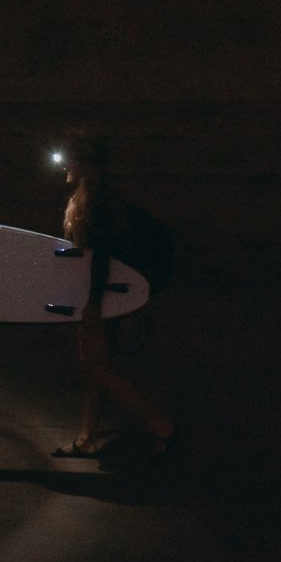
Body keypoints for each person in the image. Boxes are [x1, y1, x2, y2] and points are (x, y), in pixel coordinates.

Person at [52, 140, 175, 461]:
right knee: (99, 367)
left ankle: (158, 423)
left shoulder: (96, 204)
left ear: (87, 166)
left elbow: (101, 258)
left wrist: (92, 302)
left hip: (102, 296)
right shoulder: (101, 201)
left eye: (70, 160)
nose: (64, 166)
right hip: (111, 294)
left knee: (96, 367)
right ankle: (88, 437)